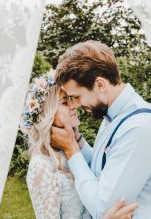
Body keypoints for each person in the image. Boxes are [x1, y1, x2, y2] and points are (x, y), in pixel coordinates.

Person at [50, 40, 151, 219]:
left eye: (76, 97)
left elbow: (102, 209)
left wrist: (71, 150)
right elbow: (105, 167)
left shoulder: (140, 129)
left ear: (99, 85)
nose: (74, 105)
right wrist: (78, 141)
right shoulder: (115, 113)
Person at [21, 72, 138, 219]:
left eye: (71, 99)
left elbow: (100, 170)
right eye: (64, 102)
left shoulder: (71, 149)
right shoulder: (41, 166)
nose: (74, 105)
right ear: (47, 114)